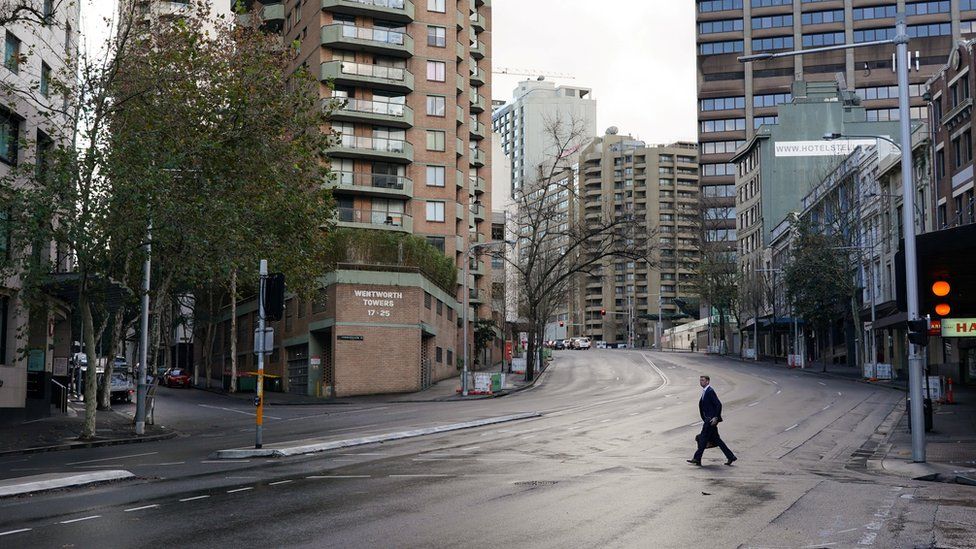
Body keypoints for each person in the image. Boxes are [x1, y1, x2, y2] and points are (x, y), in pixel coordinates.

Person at [687, 375, 737, 466]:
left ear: (708, 382)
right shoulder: (705, 391)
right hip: (708, 420)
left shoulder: (710, 391)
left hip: (710, 421)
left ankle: (697, 458)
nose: (701, 382)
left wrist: (716, 417)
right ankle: (731, 457)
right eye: (700, 380)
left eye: (703, 380)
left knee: (702, 438)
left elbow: (718, 404)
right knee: (717, 440)